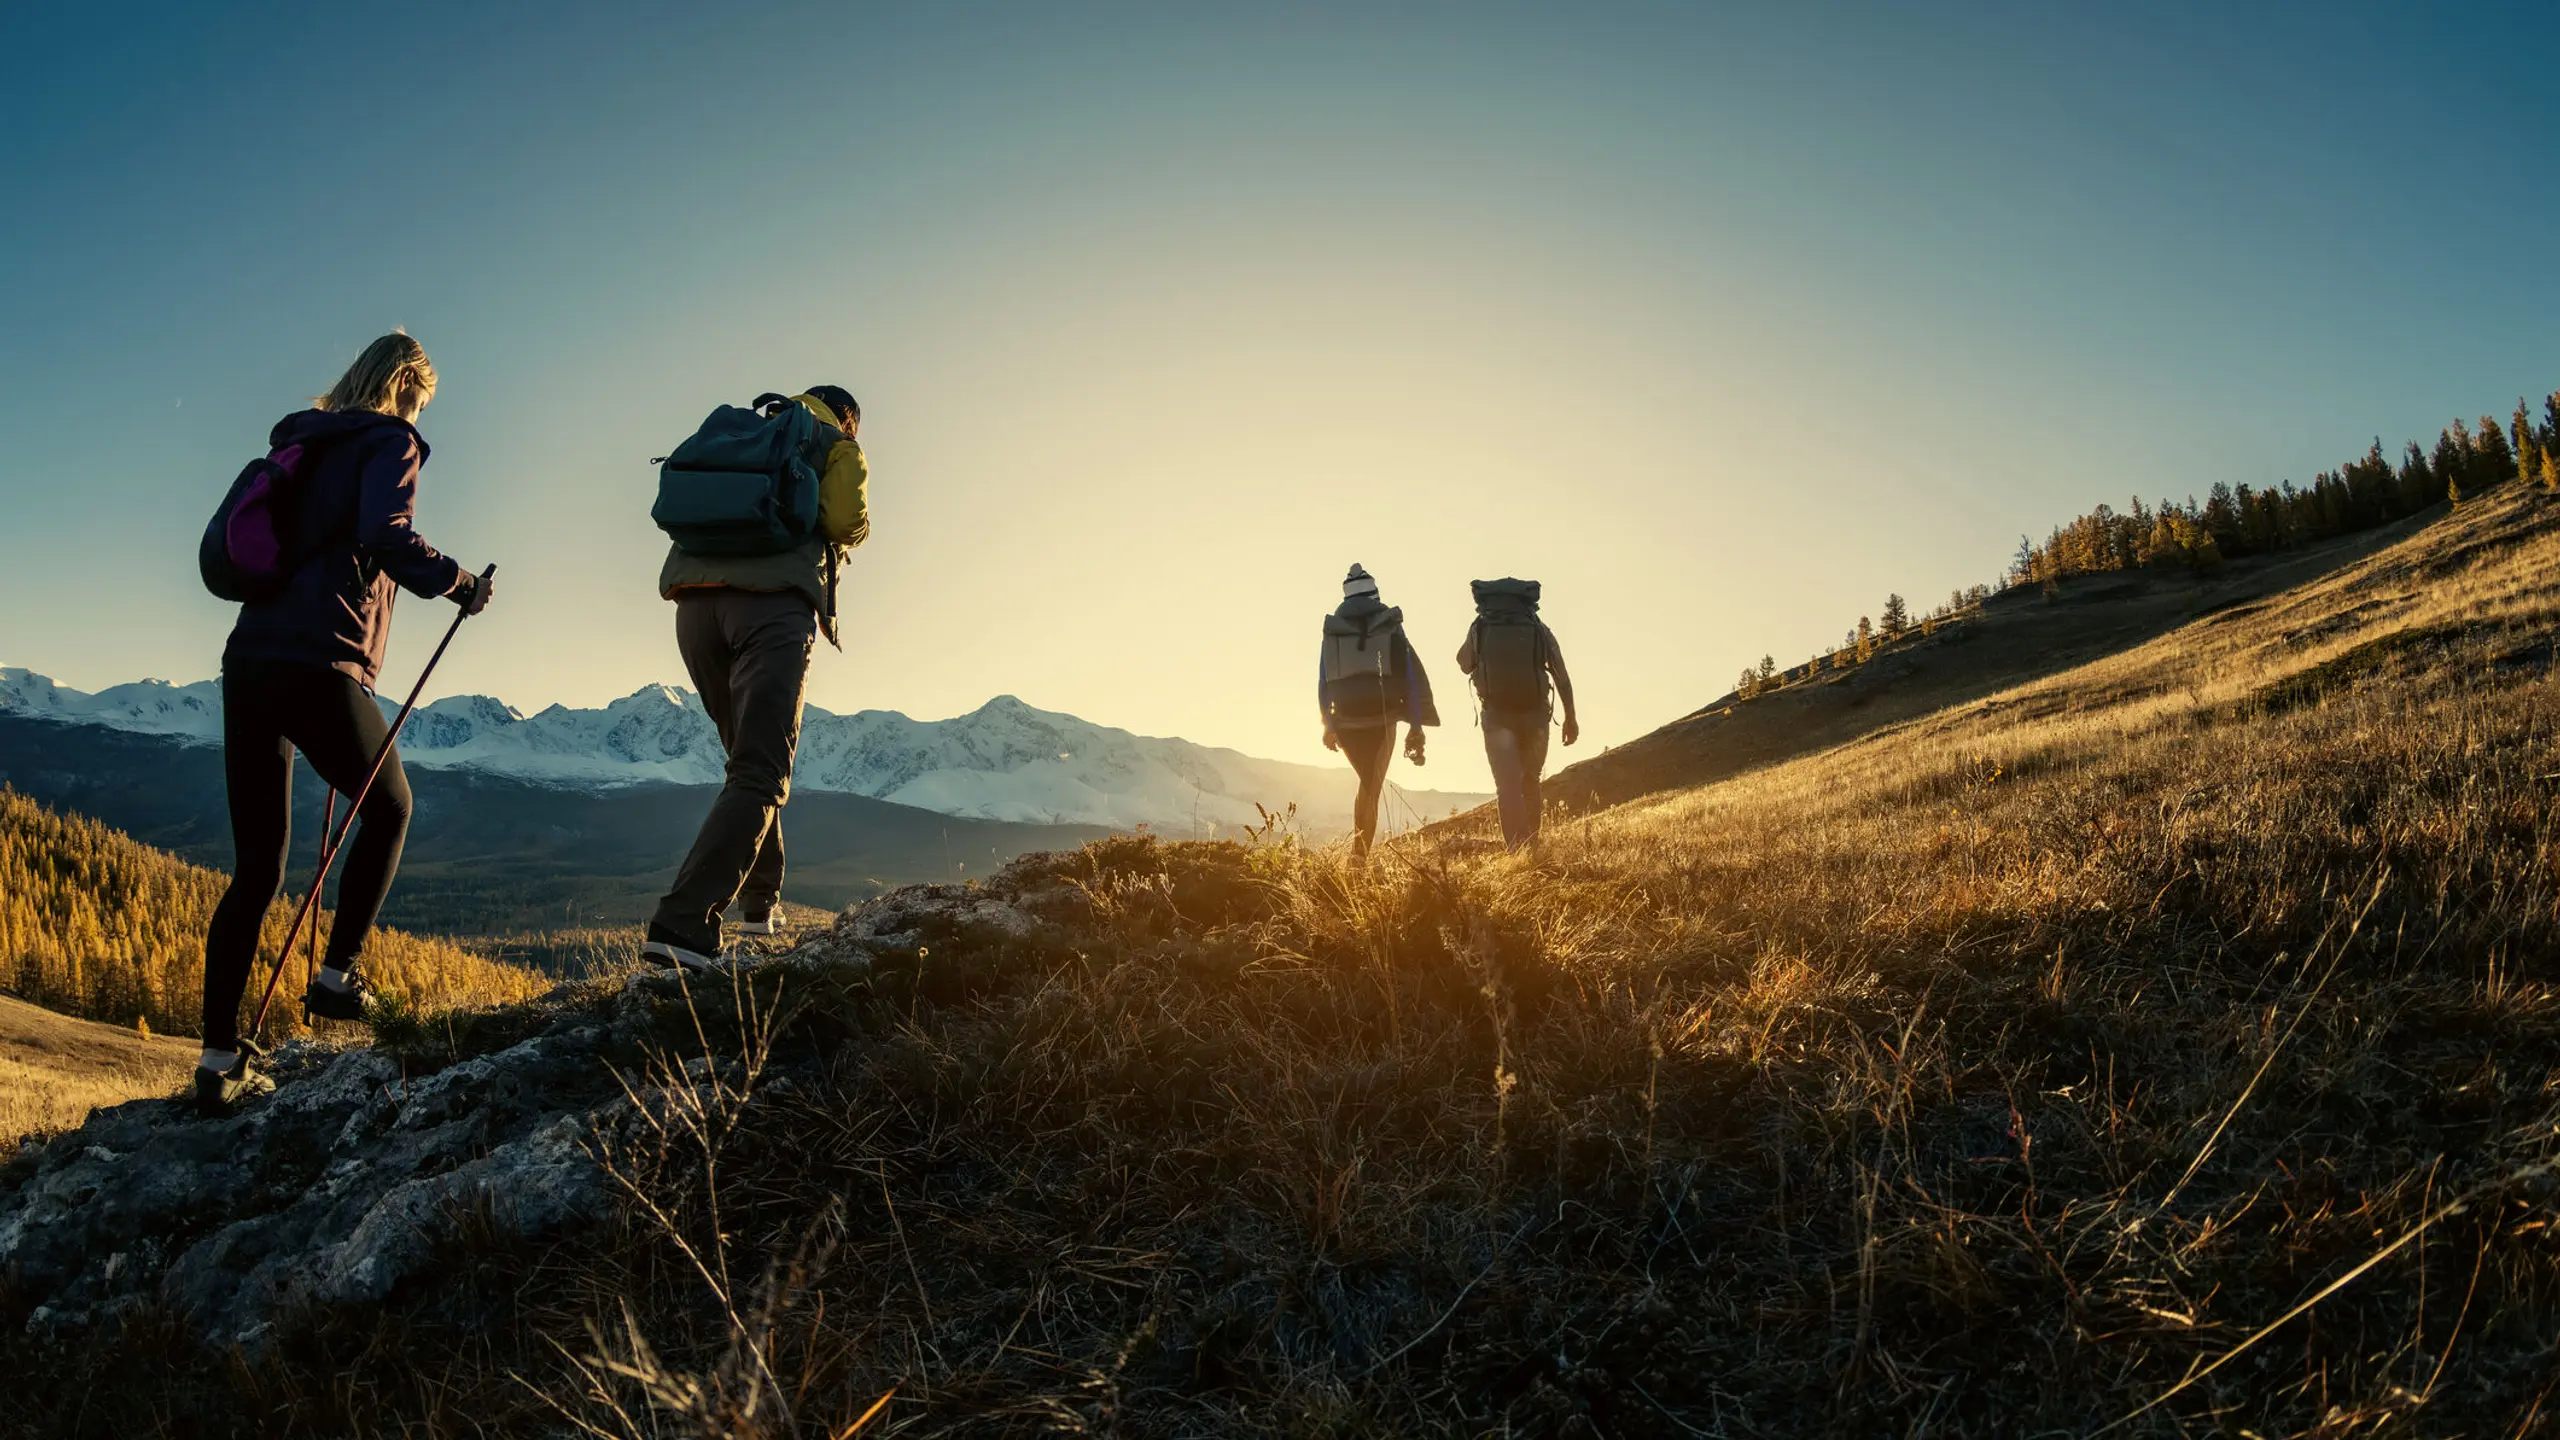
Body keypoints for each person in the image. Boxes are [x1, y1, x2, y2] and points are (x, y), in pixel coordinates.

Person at [197, 332, 493, 1115]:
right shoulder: (390, 440)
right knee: (392, 806)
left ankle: (217, 1058)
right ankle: (337, 977)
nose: (419, 414)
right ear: (403, 384)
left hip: (251, 659)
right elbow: (385, 536)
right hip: (319, 658)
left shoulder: (303, 440)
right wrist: (459, 583)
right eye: (420, 400)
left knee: (256, 871)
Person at [642, 385, 869, 970]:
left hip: (694, 610)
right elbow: (845, 521)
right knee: (761, 771)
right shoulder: (837, 444)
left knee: (746, 761)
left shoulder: (745, 428)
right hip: (770, 608)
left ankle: (760, 901)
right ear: (848, 419)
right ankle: (683, 926)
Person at [1318, 563, 1438, 858]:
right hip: (1382, 718)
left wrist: (1328, 723)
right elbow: (1410, 672)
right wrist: (1417, 723)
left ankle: (1358, 857)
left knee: (1367, 782)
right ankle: (1358, 860)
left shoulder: (1334, 629)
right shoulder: (1389, 625)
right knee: (1371, 786)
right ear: (1375, 594)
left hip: (1345, 722)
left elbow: (1323, 679)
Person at [1455, 578, 1577, 851]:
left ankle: (1515, 849)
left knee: (1507, 785)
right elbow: (1561, 675)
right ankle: (1532, 845)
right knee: (1530, 780)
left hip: (1497, 716)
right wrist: (1571, 717)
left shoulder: (1481, 626)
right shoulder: (1537, 628)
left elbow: (1463, 663)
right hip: (1534, 715)